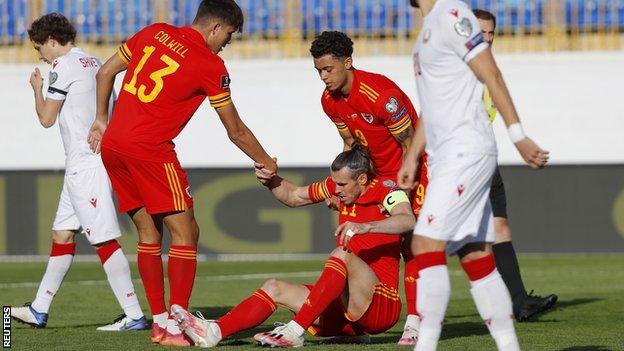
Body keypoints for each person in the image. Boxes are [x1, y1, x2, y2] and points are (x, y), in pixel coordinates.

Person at [87, 0, 277, 346]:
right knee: (186, 232)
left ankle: (161, 323)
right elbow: (235, 131)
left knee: (148, 233)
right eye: (229, 36)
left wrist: (101, 119)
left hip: (114, 144)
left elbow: (104, 72)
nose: (227, 45)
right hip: (150, 150)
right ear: (215, 28)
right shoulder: (210, 64)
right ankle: (178, 323)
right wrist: (266, 160)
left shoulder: (154, 31)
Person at [399, 1, 550, 350]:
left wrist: (518, 135)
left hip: (465, 149)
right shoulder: (429, 27)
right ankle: (509, 346)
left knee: (423, 243)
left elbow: (491, 73)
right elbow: (433, 105)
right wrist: (412, 155)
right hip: (445, 156)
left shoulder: (453, 13)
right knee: (475, 255)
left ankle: (426, 344)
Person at [169, 145, 416, 348]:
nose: (336, 190)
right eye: (335, 184)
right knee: (274, 287)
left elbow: (407, 219)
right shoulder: (336, 187)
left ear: (362, 179)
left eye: (342, 185)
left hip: (381, 305)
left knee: (342, 254)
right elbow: (294, 196)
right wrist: (271, 180)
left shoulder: (388, 191)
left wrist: (366, 227)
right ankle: (214, 331)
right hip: (345, 309)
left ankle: (295, 331)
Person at [10, 13, 148, 332]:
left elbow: (46, 118)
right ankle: (39, 308)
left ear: (53, 42)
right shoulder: (94, 61)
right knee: (62, 234)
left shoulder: (63, 66)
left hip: (86, 163)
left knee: (103, 240)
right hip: (88, 160)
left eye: (39, 47)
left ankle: (134, 315)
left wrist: (37, 88)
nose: (40, 55)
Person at [310, 30, 428, 345]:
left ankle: (415, 322)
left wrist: (407, 184)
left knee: (411, 242)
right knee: (375, 240)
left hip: (412, 168)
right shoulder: (329, 101)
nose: (323, 77)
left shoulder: (381, 96)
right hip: (373, 176)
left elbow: (409, 144)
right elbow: (349, 144)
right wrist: (342, 187)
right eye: (319, 71)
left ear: (348, 62)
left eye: (328, 69)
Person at [474, 8, 558, 322]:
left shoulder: (488, 68)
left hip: (485, 157)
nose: (486, 39)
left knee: (500, 227)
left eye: (491, 33)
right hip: (461, 160)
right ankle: (419, 313)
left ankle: (519, 301)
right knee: (441, 237)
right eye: (480, 32)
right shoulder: (458, 68)